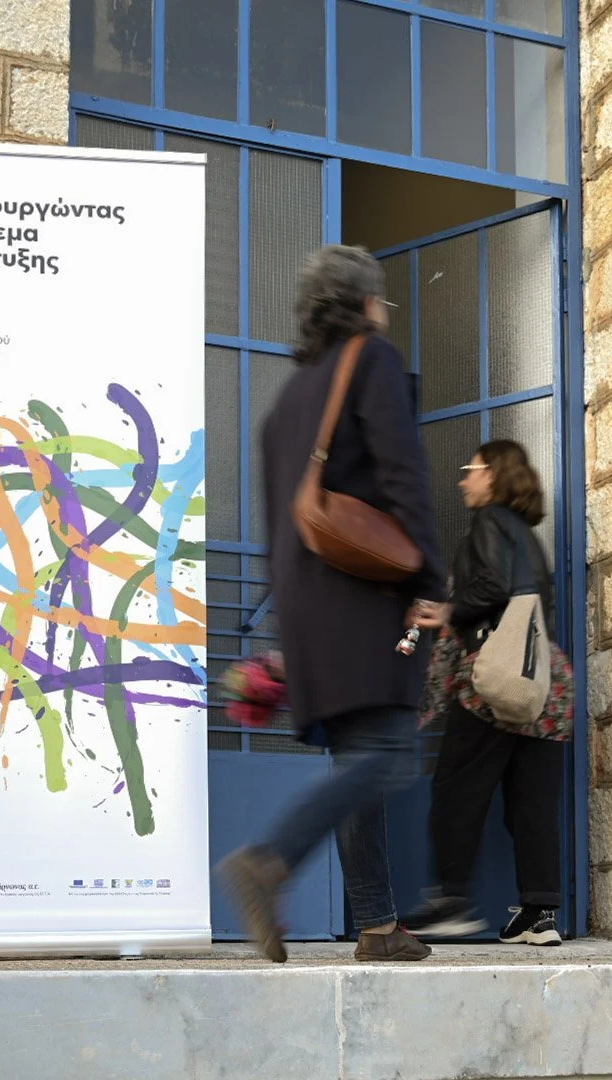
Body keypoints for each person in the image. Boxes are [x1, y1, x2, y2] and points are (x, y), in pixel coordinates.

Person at [217, 245, 446, 964]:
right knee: (386, 752)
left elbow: (274, 525)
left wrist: (287, 622)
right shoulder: (370, 359)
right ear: (366, 303)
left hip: (308, 601)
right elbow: (404, 475)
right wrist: (431, 583)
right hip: (364, 595)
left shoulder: (286, 400)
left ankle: (377, 925)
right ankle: (269, 860)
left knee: (360, 758)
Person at [402, 439, 564, 947]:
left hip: (493, 681)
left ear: (493, 475)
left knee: (456, 789)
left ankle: (451, 903)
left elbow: (492, 590)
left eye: (469, 470)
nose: (463, 480)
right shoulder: (530, 537)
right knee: (530, 800)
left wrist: (447, 611)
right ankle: (539, 916)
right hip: (544, 686)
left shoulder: (489, 522)